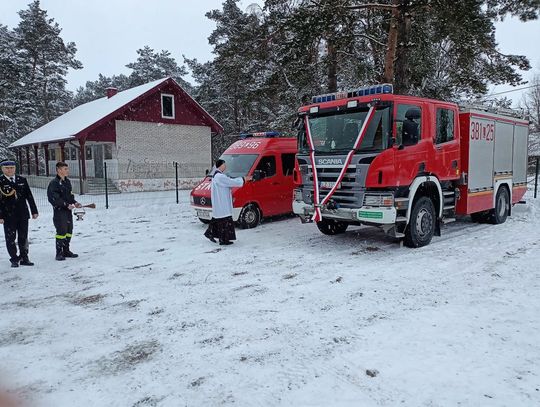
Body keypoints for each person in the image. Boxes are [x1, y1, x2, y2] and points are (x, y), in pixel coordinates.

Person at [0, 159, 38, 268]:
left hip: (22, 213)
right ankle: (14, 258)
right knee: (10, 238)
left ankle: (24, 257)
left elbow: (29, 196)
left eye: (12, 167)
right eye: (7, 168)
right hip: (8, 215)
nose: (10, 170)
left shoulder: (21, 180)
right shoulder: (1, 181)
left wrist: (34, 211)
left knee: (23, 237)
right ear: (2, 169)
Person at [204, 159, 252, 245]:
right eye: (224, 165)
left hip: (220, 201)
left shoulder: (217, 175)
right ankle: (223, 239)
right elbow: (231, 182)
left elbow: (228, 182)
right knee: (224, 220)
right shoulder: (220, 177)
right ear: (221, 165)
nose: (225, 166)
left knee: (218, 219)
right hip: (222, 202)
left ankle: (210, 233)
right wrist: (243, 179)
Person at [47, 162, 82, 261]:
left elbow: (70, 196)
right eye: (65, 169)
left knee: (69, 231)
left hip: (68, 211)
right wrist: (66, 205)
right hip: (59, 211)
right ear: (59, 170)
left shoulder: (67, 182)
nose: (67, 171)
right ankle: (59, 253)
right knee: (61, 231)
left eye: (67, 169)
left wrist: (75, 203)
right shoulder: (54, 183)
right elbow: (53, 198)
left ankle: (66, 250)